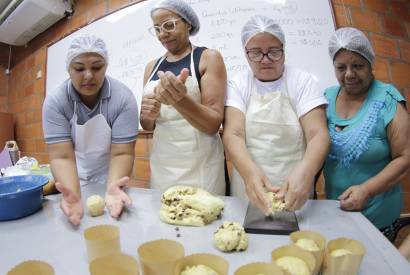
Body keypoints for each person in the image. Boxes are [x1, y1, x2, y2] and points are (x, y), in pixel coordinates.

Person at [223, 15, 329, 215]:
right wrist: (248, 173)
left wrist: (307, 171)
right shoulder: (238, 84)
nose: (265, 60)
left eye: (273, 52)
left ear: (284, 50)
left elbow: (318, 134)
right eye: (256, 53)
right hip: (249, 183)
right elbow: (233, 134)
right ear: (246, 54)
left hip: (295, 186)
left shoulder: (302, 81)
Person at [323, 27, 410, 241]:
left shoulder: (388, 99)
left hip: (376, 216)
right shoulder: (326, 97)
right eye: (341, 67)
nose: (349, 74)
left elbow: (405, 157)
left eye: (358, 66)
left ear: (371, 64)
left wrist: (367, 190)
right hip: (335, 212)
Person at [42, 34, 139, 225]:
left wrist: (112, 188)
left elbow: (121, 153)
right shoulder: (56, 102)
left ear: (106, 66)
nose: (88, 75)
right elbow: (62, 157)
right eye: (79, 68)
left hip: (111, 173)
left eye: (97, 67)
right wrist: (73, 195)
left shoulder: (123, 99)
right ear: (68, 69)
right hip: (72, 173)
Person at [140, 0, 226, 195]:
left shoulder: (207, 58)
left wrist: (179, 100)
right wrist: (149, 115)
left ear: (187, 23)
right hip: (163, 166)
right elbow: (147, 124)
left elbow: (213, 124)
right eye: (157, 28)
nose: (162, 34)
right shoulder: (151, 67)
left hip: (201, 167)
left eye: (169, 25)